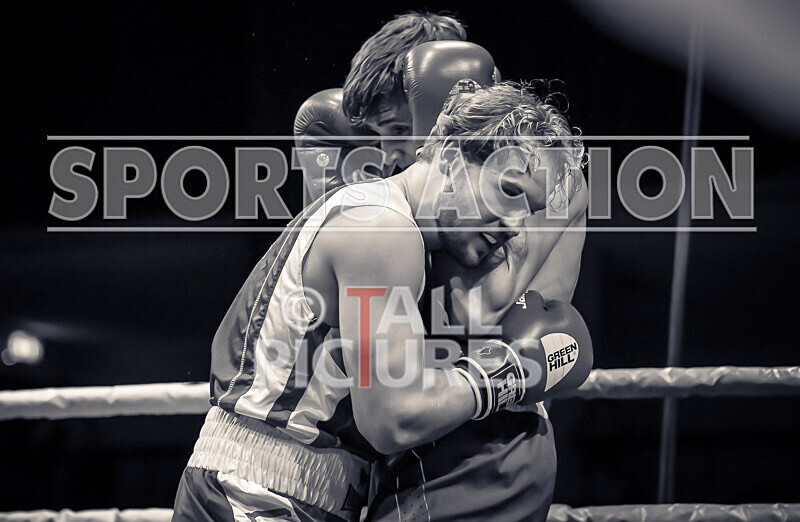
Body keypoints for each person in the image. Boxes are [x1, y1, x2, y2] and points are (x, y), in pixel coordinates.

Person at [172, 82, 593, 521]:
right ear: (450, 157)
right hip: (257, 494)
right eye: (509, 190)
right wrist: (512, 371)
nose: (514, 224)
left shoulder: (389, 225)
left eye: (530, 209)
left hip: (300, 490)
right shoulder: (384, 231)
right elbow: (394, 419)